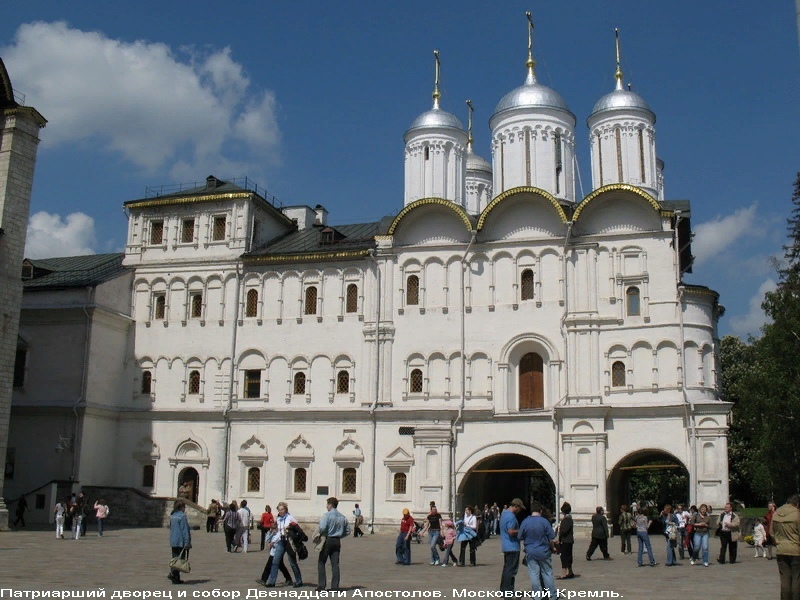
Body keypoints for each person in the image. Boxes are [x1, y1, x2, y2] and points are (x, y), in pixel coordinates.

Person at [518, 501, 557, 598]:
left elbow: (519, 536)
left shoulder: (525, 521)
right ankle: (552, 595)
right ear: (540, 511)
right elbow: (552, 536)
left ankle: (537, 596)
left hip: (531, 552)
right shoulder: (544, 521)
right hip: (544, 551)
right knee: (547, 573)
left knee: (534, 575)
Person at [315, 496, 350, 592]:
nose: (327, 506)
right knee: (335, 564)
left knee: (321, 562)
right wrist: (340, 535)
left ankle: (322, 585)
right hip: (337, 541)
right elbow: (348, 531)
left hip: (328, 539)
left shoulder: (327, 515)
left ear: (330, 505)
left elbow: (322, 527)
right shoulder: (342, 517)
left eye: (327, 504)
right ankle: (335, 586)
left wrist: (322, 534)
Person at [265, 502, 303, 588]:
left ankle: (298, 580)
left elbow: (297, 528)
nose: (281, 511)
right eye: (279, 510)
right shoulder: (278, 519)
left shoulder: (290, 518)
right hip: (281, 542)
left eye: (282, 509)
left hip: (289, 542)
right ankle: (271, 581)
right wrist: (273, 541)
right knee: (275, 561)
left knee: (292, 562)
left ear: (285, 509)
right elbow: (279, 532)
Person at [771, 493, 800, 600]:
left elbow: (771, 532)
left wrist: (778, 542)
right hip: (796, 549)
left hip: (781, 550)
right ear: (796, 504)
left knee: (785, 579)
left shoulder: (776, 513)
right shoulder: (797, 514)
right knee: (796, 578)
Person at [499, 498, 524, 592]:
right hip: (513, 546)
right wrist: (521, 531)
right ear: (516, 507)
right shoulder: (511, 517)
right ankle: (508, 590)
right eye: (520, 509)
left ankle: (503, 589)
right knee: (511, 570)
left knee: (506, 569)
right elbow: (511, 531)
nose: (520, 511)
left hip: (506, 545)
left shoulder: (504, 514)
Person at [168, 500, 191, 585]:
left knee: (175, 559)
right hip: (181, 541)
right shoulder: (182, 516)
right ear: (181, 507)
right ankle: (174, 576)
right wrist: (187, 542)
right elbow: (184, 530)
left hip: (173, 540)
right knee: (180, 560)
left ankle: (175, 576)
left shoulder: (173, 516)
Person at [557, 502, 576, 580]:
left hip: (566, 540)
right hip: (568, 541)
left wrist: (559, 533)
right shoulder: (569, 519)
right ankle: (570, 572)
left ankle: (564, 573)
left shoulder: (566, 519)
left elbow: (564, 531)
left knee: (564, 557)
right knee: (568, 556)